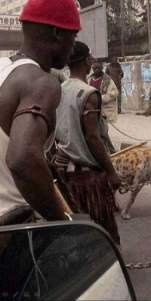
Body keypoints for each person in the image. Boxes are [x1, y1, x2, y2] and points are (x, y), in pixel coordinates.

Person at [0, 0, 80, 225]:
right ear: (57, 34)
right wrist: (62, 221)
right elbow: (22, 159)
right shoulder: (41, 83)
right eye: (72, 37)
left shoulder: (3, 68)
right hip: (11, 229)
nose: (73, 47)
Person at [54, 41, 122, 245]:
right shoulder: (88, 93)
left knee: (76, 227)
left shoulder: (60, 89)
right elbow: (93, 137)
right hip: (88, 178)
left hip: (66, 172)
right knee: (99, 227)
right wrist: (111, 172)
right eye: (91, 58)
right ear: (87, 61)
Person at [89, 61, 119, 153]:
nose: (96, 70)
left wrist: (100, 98)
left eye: (98, 68)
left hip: (104, 110)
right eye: (95, 68)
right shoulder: (89, 79)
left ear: (101, 68)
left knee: (103, 132)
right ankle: (107, 150)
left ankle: (111, 151)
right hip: (92, 109)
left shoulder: (107, 80)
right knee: (98, 133)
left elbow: (114, 93)